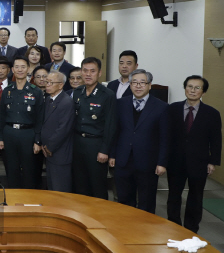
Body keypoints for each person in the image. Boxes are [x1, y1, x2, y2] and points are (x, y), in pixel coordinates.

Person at [167, 75, 222, 233]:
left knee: (196, 197)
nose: (193, 90)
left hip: (199, 162)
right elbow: (167, 135)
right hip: (175, 160)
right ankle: (173, 225)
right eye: (189, 86)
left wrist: (213, 161)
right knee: (174, 195)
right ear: (185, 88)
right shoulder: (173, 109)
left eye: (197, 88)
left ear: (203, 92)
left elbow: (216, 140)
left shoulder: (212, 113)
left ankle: (191, 228)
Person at [109, 69, 168, 214]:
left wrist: (162, 163)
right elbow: (115, 131)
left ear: (149, 85)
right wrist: (112, 155)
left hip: (148, 162)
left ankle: (145, 234)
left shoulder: (162, 107)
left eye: (142, 82)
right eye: (134, 82)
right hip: (123, 160)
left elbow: (165, 137)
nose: (138, 86)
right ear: (129, 85)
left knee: (146, 202)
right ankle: (125, 231)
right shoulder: (120, 104)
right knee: (123, 200)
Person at [71, 57, 117, 200]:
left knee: (97, 186)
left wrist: (105, 150)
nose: (88, 74)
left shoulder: (107, 94)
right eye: (85, 71)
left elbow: (111, 125)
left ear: (99, 73)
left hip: (96, 145)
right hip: (78, 143)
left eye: (92, 71)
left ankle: (99, 219)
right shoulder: (78, 92)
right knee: (80, 184)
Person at [0, 56, 45, 189]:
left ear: (28, 69)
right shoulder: (7, 91)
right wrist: (0, 138)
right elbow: (2, 116)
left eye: (23, 67)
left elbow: (40, 118)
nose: (20, 70)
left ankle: (28, 201)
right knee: (11, 170)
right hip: (9, 133)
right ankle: (13, 201)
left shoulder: (35, 92)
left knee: (29, 171)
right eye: (17, 67)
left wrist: (37, 140)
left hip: (28, 135)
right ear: (12, 69)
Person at [41, 71, 75, 192]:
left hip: (59, 152)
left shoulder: (66, 102)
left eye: (51, 82)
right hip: (48, 152)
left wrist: (49, 146)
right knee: (51, 188)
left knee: (60, 189)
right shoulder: (48, 99)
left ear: (60, 85)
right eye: (46, 82)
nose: (47, 85)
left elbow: (63, 129)